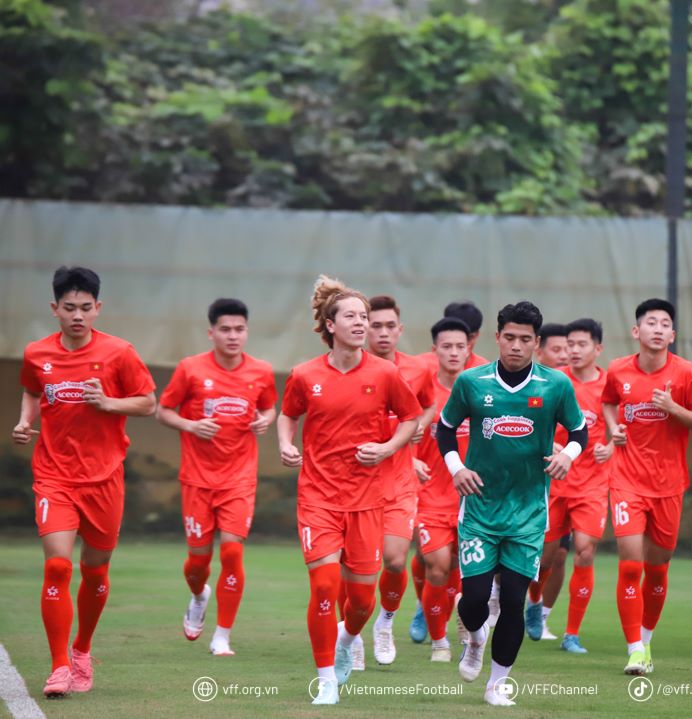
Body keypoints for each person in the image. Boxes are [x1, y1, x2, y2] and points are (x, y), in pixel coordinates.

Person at [276, 277, 421, 705]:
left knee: (360, 600)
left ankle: (345, 639)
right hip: (318, 498)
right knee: (323, 586)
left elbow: (411, 419)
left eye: (365, 317)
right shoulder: (305, 375)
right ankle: (324, 678)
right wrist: (286, 443)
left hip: (367, 500)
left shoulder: (385, 373)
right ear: (330, 324)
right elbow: (289, 415)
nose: (362, 324)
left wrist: (389, 447)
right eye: (353, 317)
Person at [13, 266, 156, 697]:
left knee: (94, 571)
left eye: (86, 308)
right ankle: (58, 667)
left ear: (98, 308)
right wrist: (24, 421)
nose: (78, 315)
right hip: (54, 475)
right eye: (69, 308)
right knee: (58, 565)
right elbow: (33, 390)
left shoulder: (119, 353)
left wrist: (108, 402)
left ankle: (82, 650)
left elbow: (148, 403)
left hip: (105, 478)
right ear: (55, 309)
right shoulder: (37, 353)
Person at [437, 301, 587, 707]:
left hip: (528, 512)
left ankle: (498, 682)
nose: (516, 346)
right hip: (481, 510)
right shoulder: (471, 382)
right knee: (472, 602)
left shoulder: (555, 385)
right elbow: (446, 429)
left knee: (513, 602)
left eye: (525, 339)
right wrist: (456, 468)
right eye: (510, 338)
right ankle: (474, 638)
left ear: (537, 343)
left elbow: (579, 430)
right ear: (497, 337)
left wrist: (566, 456)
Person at [157, 298, 277, 657]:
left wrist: (266, 419)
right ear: (211, 333)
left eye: (239, 329)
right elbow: (163, 411)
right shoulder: (190, 369)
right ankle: (198, 595)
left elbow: (270, 405)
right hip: (197, 477)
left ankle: (222, 635)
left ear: (247, 332)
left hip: (239, 479)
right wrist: (191, 424)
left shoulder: (261, 371)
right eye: (225, 329)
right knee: (198, 562)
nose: (232, 335)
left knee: (232, 553)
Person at [601, 298, 692, 676]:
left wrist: (674, 409)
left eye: (665, 323)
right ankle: (634, 649)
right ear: (637, 331)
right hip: (626, 481)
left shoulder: (687, 374)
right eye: (651, 322)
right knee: (630, 563)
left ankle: (646, 640)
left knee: (657, 567)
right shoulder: (618, 370)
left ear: (673, 334)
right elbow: (609, 402)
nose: (658, 328)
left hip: (669, 484)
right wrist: (613, 427)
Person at [365, 295, 435, 666]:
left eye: (390, 326)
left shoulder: (418, 369)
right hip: (356, 484)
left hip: (399, 482)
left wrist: (416, 429)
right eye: (375, 325)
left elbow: (428, 404)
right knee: (357, 567)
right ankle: (351, 635)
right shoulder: (350, 369)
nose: (383, 332)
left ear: (400, 329)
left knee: (394, 561)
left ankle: (385, 621)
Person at [540, 318, 612, 654]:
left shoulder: (610, 387)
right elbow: (532, 426)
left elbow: (622, 430)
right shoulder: (552, 382)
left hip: (592, 486)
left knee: (584, 550)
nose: (574, 350)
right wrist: (549, 447)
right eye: (569, 344)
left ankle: (571, 633)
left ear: (598, 348)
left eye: (581, 344)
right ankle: (534, 608)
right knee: (543, 559)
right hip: (554, 483)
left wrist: (610, 447)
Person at [413, 317, 473, 661]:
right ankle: (439, 641)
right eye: (446, 346)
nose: (453, 352)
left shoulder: (481, 392)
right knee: (436, 565)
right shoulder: (424, 394)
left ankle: (464, 622)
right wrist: (410, 461)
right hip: (432, 497)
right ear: (434, 350)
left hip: (474, 500)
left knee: (466, 570)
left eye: (459, 346)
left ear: (469, 350)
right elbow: (404, 432)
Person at [526, 322, 571, 641]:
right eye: (557, 349)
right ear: (539, 351)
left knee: (563, 555)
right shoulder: (528, 385)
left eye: (569, 348)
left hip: (576, 486)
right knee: (537, 555)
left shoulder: (578, 385)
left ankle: (541, 615)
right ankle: (519, 603)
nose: (566, 355)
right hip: (534, 485)